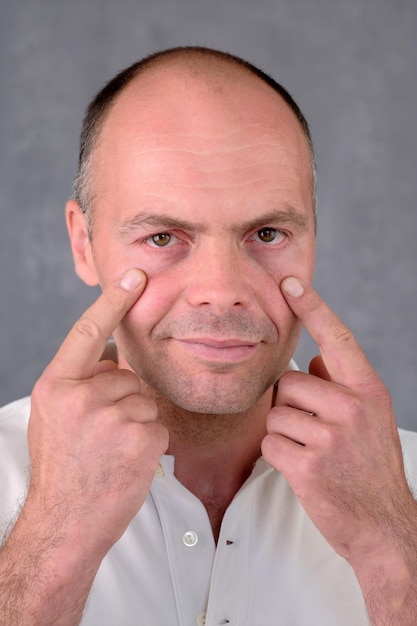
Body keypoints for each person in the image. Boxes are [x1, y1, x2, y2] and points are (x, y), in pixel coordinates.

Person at [0, 46, 416, 626]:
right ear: (83, 243)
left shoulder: (407, 490)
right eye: (164, 238)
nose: (221, 291)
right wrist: (53, 546)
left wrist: (392, 548)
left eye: (267, 233)